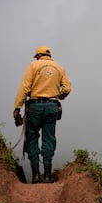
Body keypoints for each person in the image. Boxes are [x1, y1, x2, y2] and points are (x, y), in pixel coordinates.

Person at [13, 46, 71, 183]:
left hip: (35, 107)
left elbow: (25, 87)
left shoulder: (33, 65)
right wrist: (59, 96)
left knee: (32, 137)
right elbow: (67, 88)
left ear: (38, 55)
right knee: (49, 138)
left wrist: (17, 107)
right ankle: (47, 175)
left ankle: (36, 176)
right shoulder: (59, 68)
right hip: (52, 107)